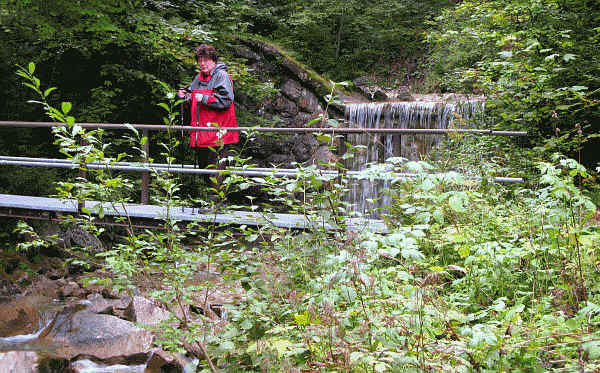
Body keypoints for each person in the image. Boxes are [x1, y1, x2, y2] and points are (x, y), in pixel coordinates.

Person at [178, 44, 238, 169]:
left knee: (216, 177)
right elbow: (192, 96)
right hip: (201, 136)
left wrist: (204, 98)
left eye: (206, 60)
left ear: (213, 61)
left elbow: (226, 100)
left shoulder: (222, 76)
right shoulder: (198, 78)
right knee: (205, 173)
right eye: (200, 61)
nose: (202, 64)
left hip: (218, 137)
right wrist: (185, 97)